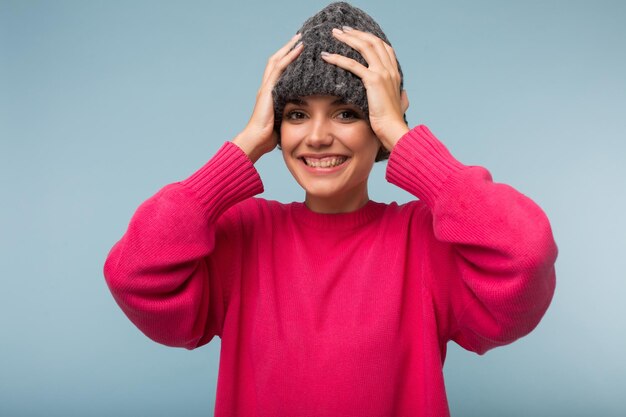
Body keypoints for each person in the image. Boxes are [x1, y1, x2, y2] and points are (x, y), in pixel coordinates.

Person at [103, 2, 558, 416]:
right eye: (297, 114)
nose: (317, 137)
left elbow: (526, 256)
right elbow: (133, 274)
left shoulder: (426, 241)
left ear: (379, 122)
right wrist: (242, 147)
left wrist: (400, 134)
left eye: (346, 113)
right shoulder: (243, 235)